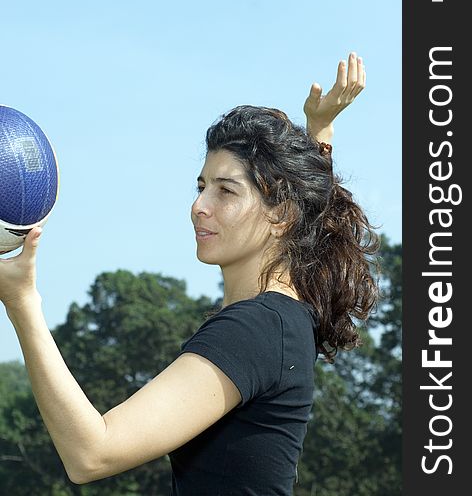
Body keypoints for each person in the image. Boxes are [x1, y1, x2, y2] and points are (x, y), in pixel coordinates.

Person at [0, 52, 379, 495]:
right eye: (201, 186)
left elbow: (91, 454)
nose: (200, 206)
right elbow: (312, 219)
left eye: (226, 190)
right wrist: (320, 133)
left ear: (281, 214)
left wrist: (22, 301)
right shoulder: (290, 318)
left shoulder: (254, 330)